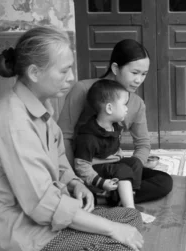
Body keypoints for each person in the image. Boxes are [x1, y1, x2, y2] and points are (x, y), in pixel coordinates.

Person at [0, 26, 144, 251]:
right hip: (25, 232)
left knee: (132, 219)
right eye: (64, 71)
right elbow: (42, 205)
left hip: (46, 218)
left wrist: (75, 182)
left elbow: (57, 156)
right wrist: (109, 230)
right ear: (35, 73)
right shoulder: (13, 123)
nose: (70, 78)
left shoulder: (39, 106)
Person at [58, 39, 173, 203]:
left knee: (164, 181)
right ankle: (110, 194)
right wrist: (74, 178)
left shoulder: (137, 104)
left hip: (114, 169)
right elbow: (63, 136)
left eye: (144, 74)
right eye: (134, 73)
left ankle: (106, 196)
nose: (139, 80)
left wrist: (135, 170)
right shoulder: (82, 90)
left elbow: (143, 144)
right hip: (83, 167)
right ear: (115, 68)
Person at [74, 79, 154, 223]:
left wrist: (121, 156)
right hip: (96, 172)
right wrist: (101, 182)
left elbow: (114, 149)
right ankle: (131, 211)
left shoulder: (115, 126)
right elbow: (81, 165)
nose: (127, 109)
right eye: (124, 104)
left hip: (112, 167)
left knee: (135, 163)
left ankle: (121, 198)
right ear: (109, 109)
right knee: (122, 170)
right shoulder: (88, 136)